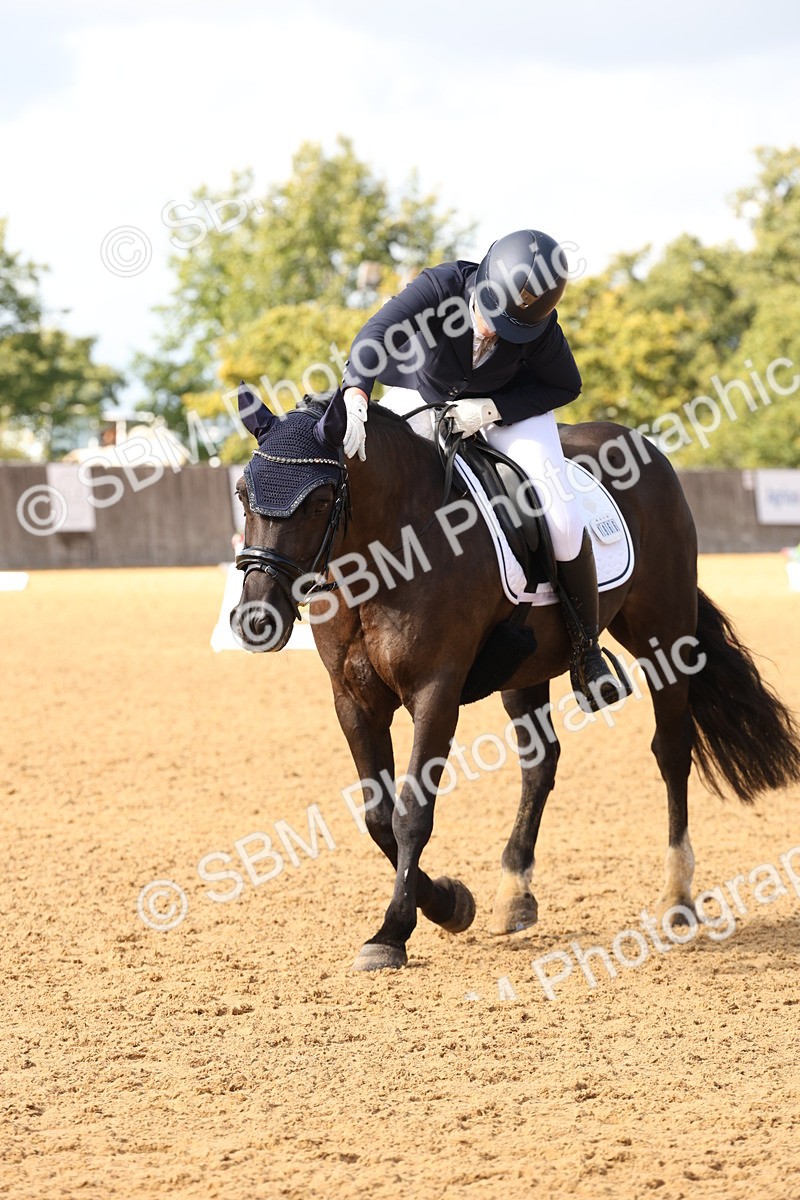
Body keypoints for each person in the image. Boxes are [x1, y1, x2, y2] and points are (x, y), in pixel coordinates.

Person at [340, 228, 620, 709]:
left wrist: (493, 408)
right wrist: (356, 392)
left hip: (507, 411)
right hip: (424, 394)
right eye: (490, 316)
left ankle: (585, 650)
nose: (493, 331)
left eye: (510, 328)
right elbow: (374, 335)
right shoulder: (440, 286)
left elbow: (565, 386)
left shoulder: (540, 329)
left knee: (563, 519)